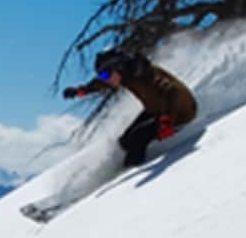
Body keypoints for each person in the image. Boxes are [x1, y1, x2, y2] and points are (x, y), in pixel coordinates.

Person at [63, 48, 198, 167]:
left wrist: (168, 119)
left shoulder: (145, 74)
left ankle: (131, 173)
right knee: (125, 142)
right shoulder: (126, 75)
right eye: (102, 76)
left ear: (117, 67)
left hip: (181, 112)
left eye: (106, 75)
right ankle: (139, 158)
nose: (105, 79)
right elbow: (99, 84)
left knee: (137, 137)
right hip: (157, 110)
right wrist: (81, 91)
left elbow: (172, 91)